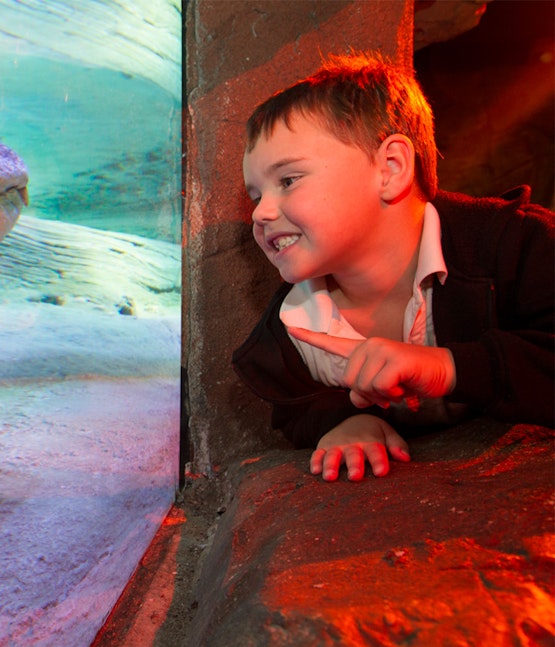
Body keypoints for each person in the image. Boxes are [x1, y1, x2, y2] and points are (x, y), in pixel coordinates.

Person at [231, 52, 555, 482]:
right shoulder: (289, 332)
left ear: (391, 168)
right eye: (256, 195)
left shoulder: (517, 247)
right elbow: (296, 408)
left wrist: (448, 367)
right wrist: (342, 421)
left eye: (288, 180)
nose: (260, 213)